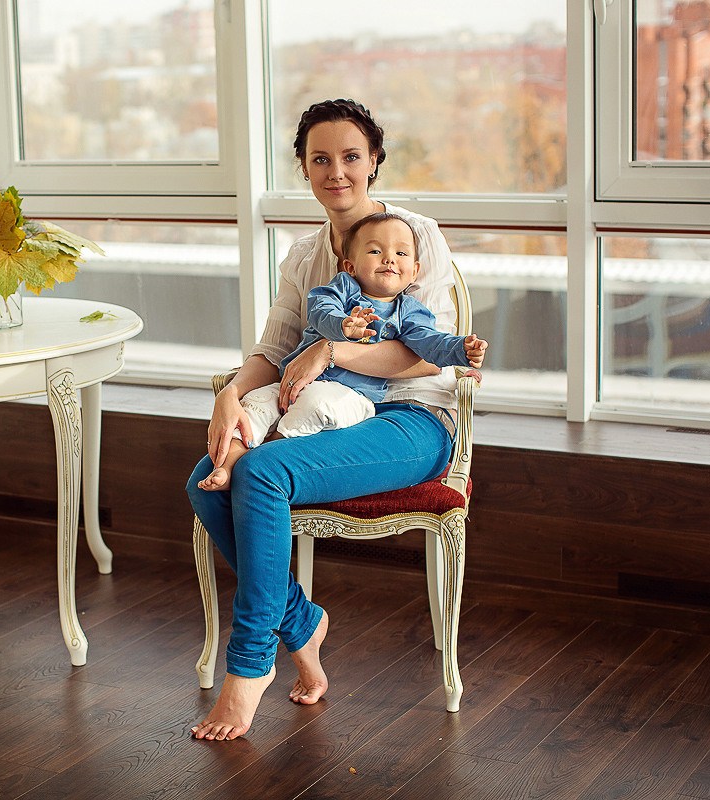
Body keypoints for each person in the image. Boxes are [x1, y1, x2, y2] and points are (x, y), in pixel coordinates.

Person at [187, 99, 465, 742]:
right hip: (322, 416)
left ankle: (250, 666)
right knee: (207, 476)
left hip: (411, 422)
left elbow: (428, 356)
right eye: (320, 159)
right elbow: (271, 350)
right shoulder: (305, 257)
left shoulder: (413, 237)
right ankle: (302, 623)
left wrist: (333, 348)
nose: (336, 171)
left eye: (350, 156)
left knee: (259, 472)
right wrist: (231, 395)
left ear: (373, 163)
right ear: (305, 169)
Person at [197, 211, 487, 491]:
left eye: (401, 254)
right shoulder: (340, 290)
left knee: (316, 404)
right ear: (350, 266)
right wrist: (343, 326)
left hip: (349, 396)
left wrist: (461, 349)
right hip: (290, 385)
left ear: (414, 271)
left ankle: (270, 447)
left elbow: (429, 344)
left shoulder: (409, 313)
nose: (389, 259)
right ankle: (229, 464)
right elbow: (320, 311)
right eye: (375, 251)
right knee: (256, 404)